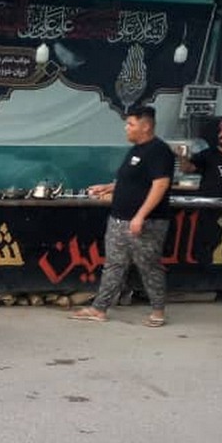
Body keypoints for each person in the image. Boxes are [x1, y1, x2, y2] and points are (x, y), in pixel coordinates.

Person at [71, 105, 174, 327]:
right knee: (114, 265)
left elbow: (160, 185)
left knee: (149, 265)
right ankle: (99, 308)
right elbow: (131, 181)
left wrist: (140, 216)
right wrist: (108, 187)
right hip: (119, 219)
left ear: (145, 126)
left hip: (147, 222)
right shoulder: (135, 150)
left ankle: (158, 310)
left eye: (131, 124)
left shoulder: (159, 151)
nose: (126, 128)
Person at [178, 117, 222, 198]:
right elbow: (186, 169)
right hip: (207, 202)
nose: (221, 134)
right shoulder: (208, 154)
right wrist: (182, 156)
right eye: (221, 131)